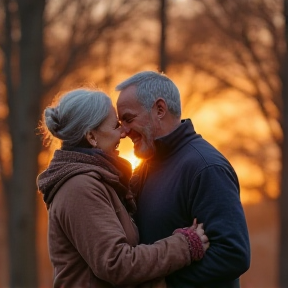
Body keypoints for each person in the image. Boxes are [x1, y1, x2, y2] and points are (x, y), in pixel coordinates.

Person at [36, 88, 210, 288]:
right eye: (116, 126)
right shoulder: (80, 187)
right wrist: (184, 246)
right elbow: (116, 263)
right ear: (91, 136)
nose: (124, 132)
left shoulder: (98, 181)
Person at [116, 71, 251, 288]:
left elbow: (233, 254)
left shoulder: (206, 167)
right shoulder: (145, 167)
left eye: (128, 119)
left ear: (159, 109)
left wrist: (164, 283)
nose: (123, 131)